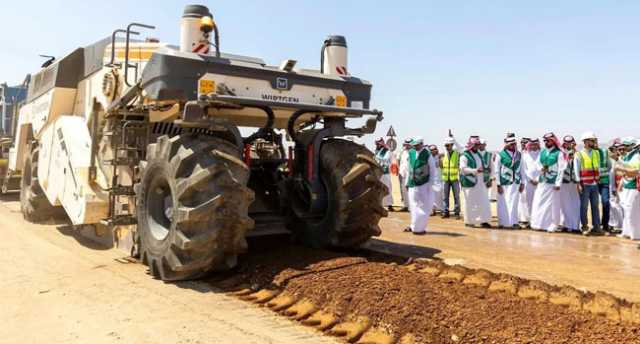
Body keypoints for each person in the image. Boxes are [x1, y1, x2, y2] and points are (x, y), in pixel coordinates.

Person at [531, 133, 567, 232]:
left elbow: (561, 168)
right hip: (543, 181)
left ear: (553, 141)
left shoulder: (558, 153)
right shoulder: (542, 152)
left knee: (553, 205)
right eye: (545, 141)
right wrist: (541, 168)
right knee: (539, 202)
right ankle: (538, 224)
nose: (546, 142)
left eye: (548, 140)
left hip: (553, 183)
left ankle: (552, 225)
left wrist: (558, 183)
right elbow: (537, 163)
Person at [405, 137, 439, 235]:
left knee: (423, 207)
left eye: (417, 145)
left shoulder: (427, 154)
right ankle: (413, 225)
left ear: (422, 144)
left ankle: (419, 228)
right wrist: (407, 182)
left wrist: (431, 184)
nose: (415, 147)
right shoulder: (411, 152)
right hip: (412, 184)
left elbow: (433, 170)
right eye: (414, 145)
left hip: (424, 185)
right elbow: (409, 168)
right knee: (413, 206)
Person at [574, 132, 604, 236]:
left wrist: (598, 177)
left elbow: (598, 166)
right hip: (584, 184)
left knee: (595, 206)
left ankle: (596, 227)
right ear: (586, 141)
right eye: (592, 140)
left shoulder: (596, 153)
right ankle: (585, 226)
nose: (593, 142)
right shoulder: (579, 154)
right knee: (584, 206)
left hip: (594, 184)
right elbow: (576, 169)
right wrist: (578, 183)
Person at [460, 136, 492, 228]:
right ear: (471, 145)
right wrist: (475, 171)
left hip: (481, 182)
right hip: (469, 183)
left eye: (478, 145)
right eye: (475, 145)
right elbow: (463, 169)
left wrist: (489, 178)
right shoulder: (464, 156)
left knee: (483, 201)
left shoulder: (479, 155)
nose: (477, 147)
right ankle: (469, 221)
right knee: (469, 203)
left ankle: (484, 220)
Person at [494, 134, 525, 229]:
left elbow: (522, 169)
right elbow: (497, 171)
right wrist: (498, 184)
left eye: (514, 144)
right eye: (511, 144)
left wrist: (522, 183)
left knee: (514, 203)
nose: (513, 146)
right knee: (503, 203)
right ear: (506, 144)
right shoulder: (500, 155)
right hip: (504, 183)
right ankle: (503, 223)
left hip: (515, 183)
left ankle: (514, 222)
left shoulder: (519, 154)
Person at [618, 139, 640, 241]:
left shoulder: (636, 156)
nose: (625, 148)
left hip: (634, 187)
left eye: (626, 146)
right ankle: (627, 232)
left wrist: (619, 163)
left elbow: (633, 170)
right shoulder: (628, 156)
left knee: (631, 210)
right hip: (628, 186)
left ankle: (634, 234)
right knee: (626, 209)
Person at [559, 135, 581, 232]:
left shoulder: (578, 154)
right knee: (565, 204)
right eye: (567, 143)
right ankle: (566, 224)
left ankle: (575, 226)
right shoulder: (561, 153)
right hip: (564, 182)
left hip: (575, 183)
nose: (569, 144)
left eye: (570, 143)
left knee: (575, 204)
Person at [520, 138, 541, 227]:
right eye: (531, 145)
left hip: (540, 182)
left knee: (539, 201)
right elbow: (523, 170)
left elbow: (544, 168)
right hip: (528, 182)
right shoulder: (524, 156)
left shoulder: (542, 155)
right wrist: (530, 180)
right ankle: (528, 221)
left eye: (535, 144)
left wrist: (538, 179)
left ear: (538, 145)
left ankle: (538, 221)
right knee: (528, 202)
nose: (533, 146)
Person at [442, 135, 462, 219]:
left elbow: (461, 148)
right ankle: (445, 212)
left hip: (454, 179)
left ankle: (457, 213)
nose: (446, 147)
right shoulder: (444, 154)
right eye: (445, 145)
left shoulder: (456, 153)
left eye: (448, 145)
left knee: (456, 196)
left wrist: (454, 139)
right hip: (445, 179)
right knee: (445, 196)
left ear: (452, 145)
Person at [595, 138, 613, 233]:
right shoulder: (589, 153)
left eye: (595, 142)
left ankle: (605, 224)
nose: (594, 144)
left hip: (604, 181)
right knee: (594, 204)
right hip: (593, 182)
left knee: (605, 202)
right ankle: (596, 225)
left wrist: (601, 173)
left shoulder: (604, 152)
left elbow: (609, 166)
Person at [609, 143, 624, 231]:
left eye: (614, 150)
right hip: (613, 187)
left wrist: (615, 188)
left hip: (620, 187)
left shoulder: (621, 161)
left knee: (619, 206)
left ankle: (620, 225)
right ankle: (614, 223)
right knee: (614, 205)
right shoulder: (612, 161)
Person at [374, 138, 393, 210]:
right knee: (379, 188)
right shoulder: (376, 151)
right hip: (378, 172)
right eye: (376, 144)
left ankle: (389, 205)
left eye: (378, 144)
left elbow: (386, 159)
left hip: (385, 172)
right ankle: (380, 204)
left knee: (387, 187)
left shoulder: (387, 151)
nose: (377, 145)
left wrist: (377, 157)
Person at [398, 138, 413, 211]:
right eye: (406, 144)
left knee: (410, 190)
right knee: (403, 190)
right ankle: (406, 205)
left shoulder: (413, 152)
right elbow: (400, 161)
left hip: (410, 174)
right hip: (402, 173)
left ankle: (411, 206)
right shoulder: (403, 152)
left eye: (408, 145)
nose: (406, 146)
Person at [429, 144, 444, 215]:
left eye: (435, 149)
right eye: (432, 150)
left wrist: (439, 158)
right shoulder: (428, 158)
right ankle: (433, 209)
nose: (433, 151)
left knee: (440, 194)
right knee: (431, 195)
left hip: (439, 178)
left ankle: (441, 209)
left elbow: (442, 166)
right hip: (431, 180)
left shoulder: (439, 157)